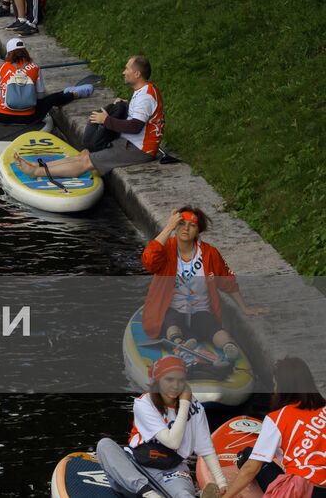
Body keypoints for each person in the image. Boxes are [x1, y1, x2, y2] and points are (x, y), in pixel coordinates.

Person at [140, 206, 265, 366]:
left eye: (191, 225)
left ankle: (229, 348)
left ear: (198, 230)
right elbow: (148, 260)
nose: (185, 228)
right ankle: (180, 344)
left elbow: (228, 281)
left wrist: (245, 307)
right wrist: (168, 227)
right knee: (171, 321)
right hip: (172, 310)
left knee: (211, 326)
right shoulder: (166, 249)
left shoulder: (210, 253)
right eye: (181, 223)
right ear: (175, 226)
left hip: (200, 311)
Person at [93, 355, 227, 498]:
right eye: (169, 379)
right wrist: (184, 406)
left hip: (172, 471)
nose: (176, 386)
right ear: (157, 380)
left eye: (181, 380)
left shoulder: (195, 407)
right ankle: (149, 494)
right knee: (104, 445)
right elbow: (172, 441)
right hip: (137, 468)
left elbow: (205, 448)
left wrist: (222, 482)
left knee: (183, 495)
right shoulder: (144, 404)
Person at [14, 55, 165, 180]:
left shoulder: (145, 96)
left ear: (137, 74)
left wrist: (106, 120)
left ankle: (36, 173)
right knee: (85, 154)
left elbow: (135, 126)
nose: (123, 72)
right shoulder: (143, 90)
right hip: (130, 142)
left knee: (86, 162)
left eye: (127, 69)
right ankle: (38, 168)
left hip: (139, 149)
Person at [222, 357, 326, 497]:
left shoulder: (277, 418)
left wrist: (226, 496)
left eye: (275, 384)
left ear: (282, 388)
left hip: (303, 492)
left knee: (247, 455)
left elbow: (250, 469)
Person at [0, 39, 95, 123]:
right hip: (28, 117)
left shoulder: (2, 67)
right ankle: (73, 93)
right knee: (51, 99)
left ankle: (69, 92)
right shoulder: (35, 67)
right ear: (25, 51)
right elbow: (40, 96)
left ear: (9, 53)